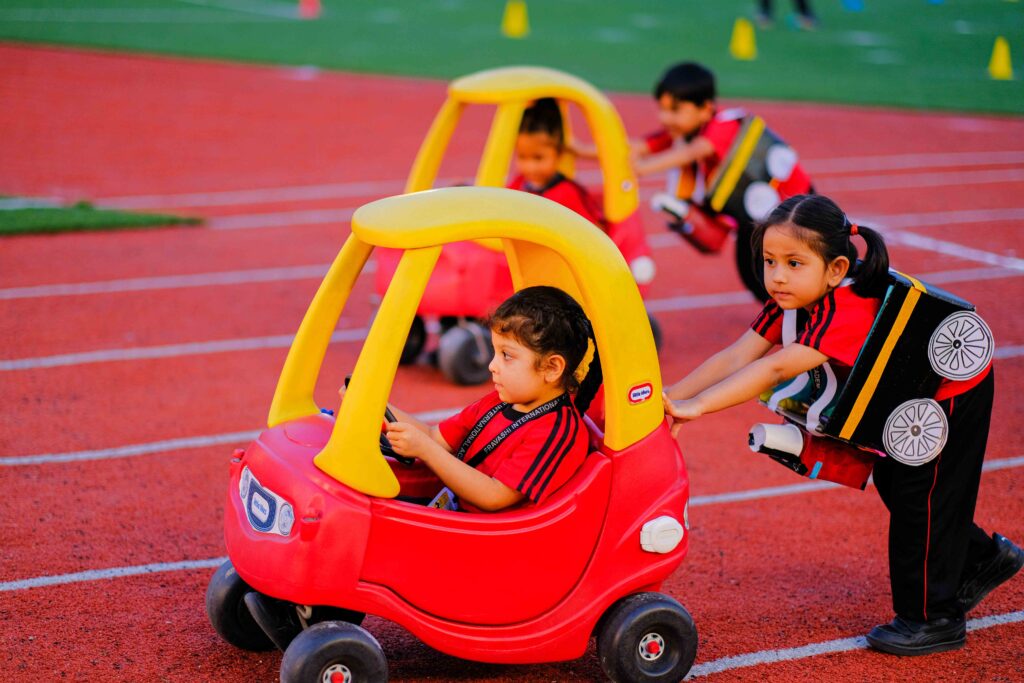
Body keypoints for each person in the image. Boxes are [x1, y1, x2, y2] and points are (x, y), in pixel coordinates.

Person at [662, 194, 1022, 656]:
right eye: (769, 261)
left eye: (794, 263)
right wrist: (672, 397)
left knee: (921, 494)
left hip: (948, 387)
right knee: (896, 480)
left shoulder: (846, 305)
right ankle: (982, 558)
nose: (777, 275)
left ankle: (934, 619)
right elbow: (737, 354)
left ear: (834, 270)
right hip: (907, 385)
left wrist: (699, 407)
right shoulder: (790, 301)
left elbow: (774, 369)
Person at [363, 285, 601, 513]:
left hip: (494, 543)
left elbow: (494, 496)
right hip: (459, 514)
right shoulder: (500, 401)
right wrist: (371, 407)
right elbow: (435, 437)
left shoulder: (556, 431)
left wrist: (425, 450)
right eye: (495, 352)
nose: (491, 366)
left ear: (552, 368)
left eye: (506, 356)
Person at [632, 61, 813, 301]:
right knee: (754, 276)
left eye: (675, 110)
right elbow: (635, 147)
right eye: (662, 109)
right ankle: (787, 319)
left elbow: (696, 150)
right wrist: (577, 148)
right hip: (757, 220)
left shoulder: (723, 125)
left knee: (801, 270)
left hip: (797, 208)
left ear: (705, 109)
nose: (665, 118)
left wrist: (643, 168)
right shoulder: (685, 131)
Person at [507, 97, 606, 228]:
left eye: (538, 158)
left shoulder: (568, 192)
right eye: (522, 157)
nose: (530, 167)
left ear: (558, 153)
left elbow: (597, 231)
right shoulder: (518, 184)